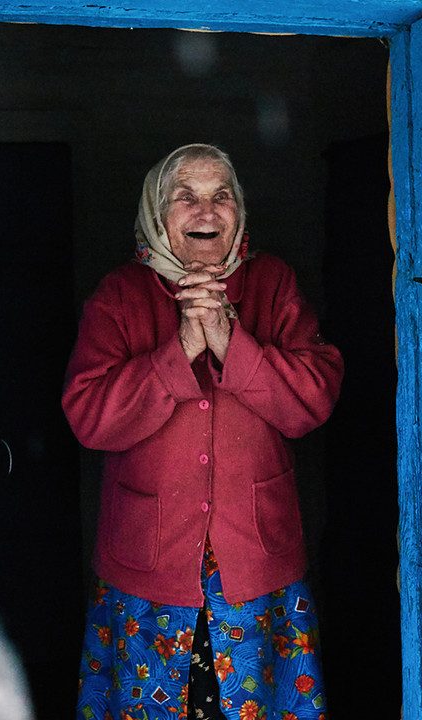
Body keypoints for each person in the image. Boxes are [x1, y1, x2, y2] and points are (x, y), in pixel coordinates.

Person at [62, 143, 343, 720]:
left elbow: (311, 401)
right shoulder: (120, 295)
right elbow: (89, 416)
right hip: (149, 562)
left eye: (222, 197)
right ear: (156, 214)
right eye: (185, 197)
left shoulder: (270, 283)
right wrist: (184, 347)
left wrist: (228, 342)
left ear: (239, 211)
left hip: (255, 558)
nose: (206, 213)